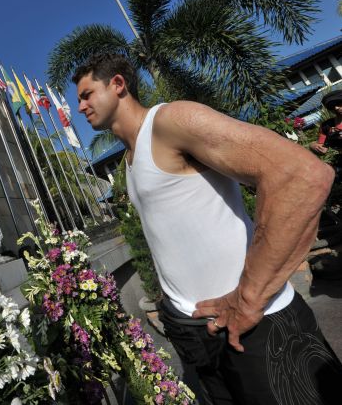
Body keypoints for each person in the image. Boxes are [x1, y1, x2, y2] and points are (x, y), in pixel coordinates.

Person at [72, 53, 342, 405]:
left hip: (259, 327)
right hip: (199, 336)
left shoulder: (170, 121)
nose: (80, 107)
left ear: (118, 85)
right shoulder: (129, 159)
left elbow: (303, 176)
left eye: (87, 94)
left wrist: (249, 297)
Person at [310, 90, 342, 160]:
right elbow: (322, 146)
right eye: (332, 106)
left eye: (339, 103)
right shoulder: (327, 126)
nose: (336, 108)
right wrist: (313, 146)